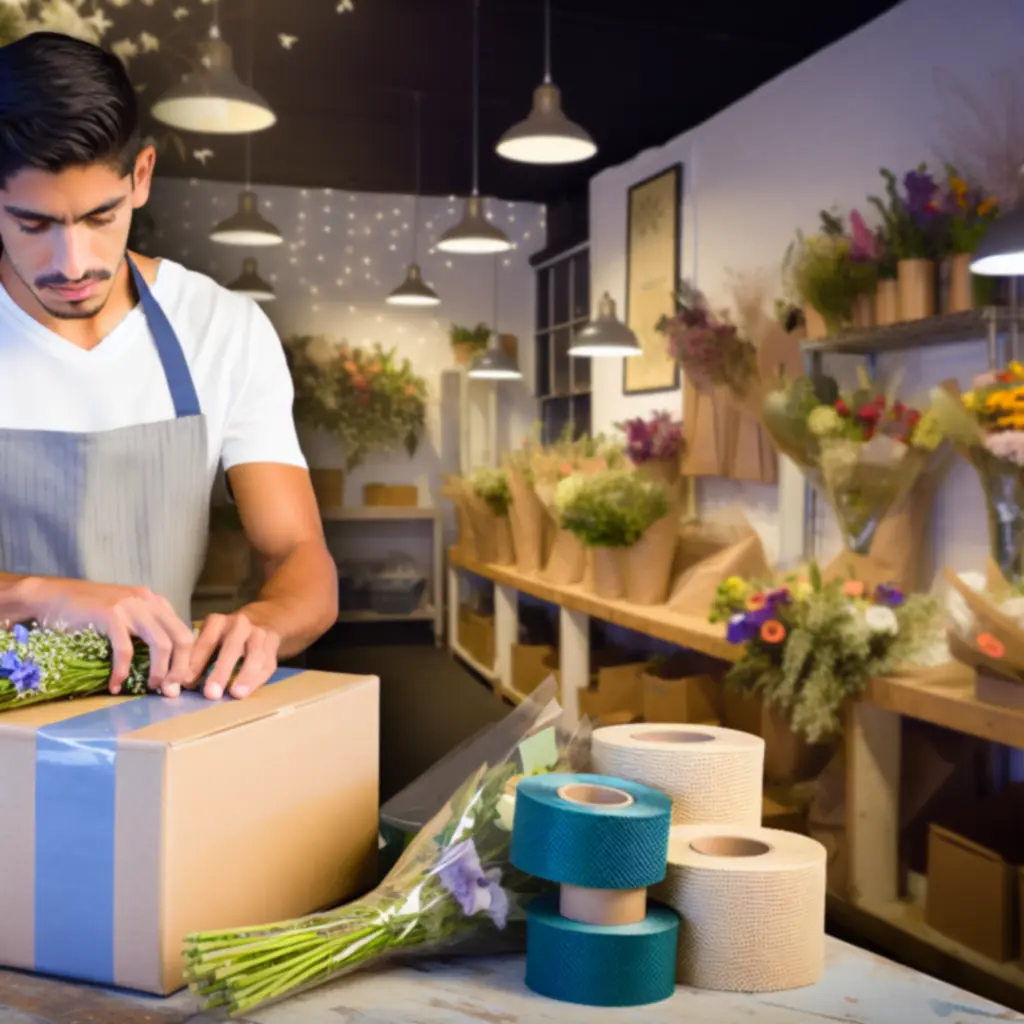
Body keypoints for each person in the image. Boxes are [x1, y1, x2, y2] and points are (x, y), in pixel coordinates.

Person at [0, 32, 339, 701]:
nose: (73, 263)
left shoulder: (222, 331)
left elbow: (301, 556)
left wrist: (265, 623)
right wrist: (39, 595)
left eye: (101, 216)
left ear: (142, 176)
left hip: (158, 724)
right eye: (35, 225)